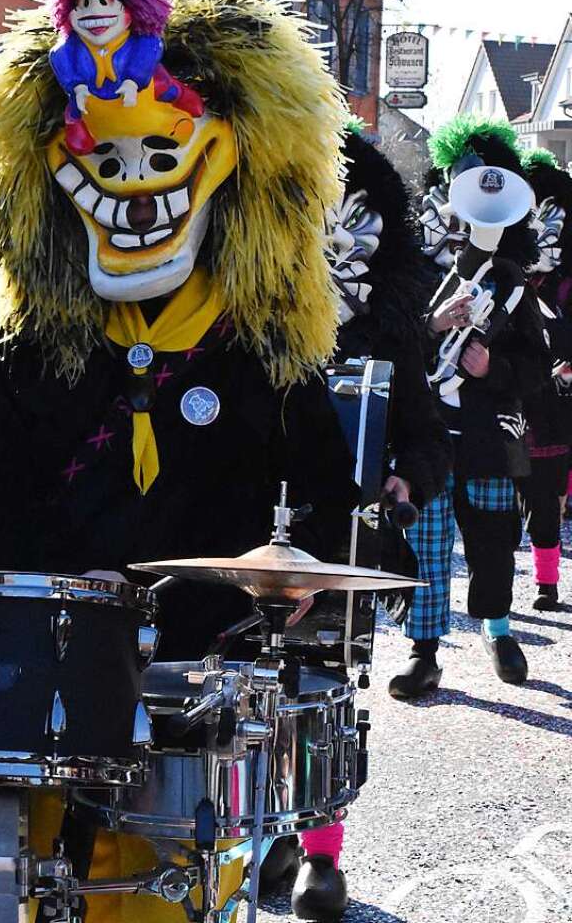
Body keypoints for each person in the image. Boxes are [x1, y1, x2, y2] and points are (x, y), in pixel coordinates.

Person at [0, 0, 359, 923]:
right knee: (24, 895)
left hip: (194, 687)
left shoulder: (263, 346)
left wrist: (296, 580)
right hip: (47, 690)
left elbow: (325, 497)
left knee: (152, 904)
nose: (131, 183)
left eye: (159, 154)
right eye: (102, 160)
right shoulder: (33, 343)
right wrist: (68, 594)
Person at [286, 122, 452, 921]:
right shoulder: (249, 316)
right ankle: (262, 831)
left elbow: (427, 440)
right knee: (235, 686)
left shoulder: (391, 332)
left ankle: (322, 857)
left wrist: (403, 480)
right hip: (249, 526)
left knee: (320, 696)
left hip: (344, 542)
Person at [390, 118, 549, 698]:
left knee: (492, 540)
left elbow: (534, 370)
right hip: (429, 436)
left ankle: (499, 629)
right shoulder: (427, 278)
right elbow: (401, 349)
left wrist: (494, 370)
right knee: (428, 545)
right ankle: (424, 650)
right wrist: (435, 324)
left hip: (488, 436)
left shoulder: (514, 287)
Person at [516, 148, 572, 611]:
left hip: (556, 407)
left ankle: (547, 582)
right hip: (511, 403)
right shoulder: (504, 279)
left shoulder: (566, 287)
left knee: (545, 497)